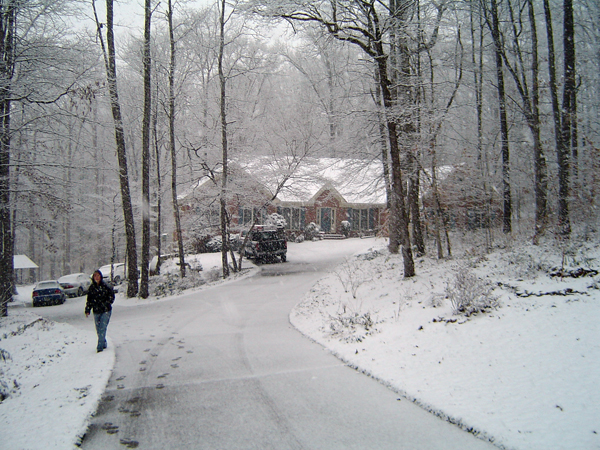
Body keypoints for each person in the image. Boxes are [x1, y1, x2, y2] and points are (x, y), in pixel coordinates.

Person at [85, 269, 115, 353]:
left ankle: (100, 347)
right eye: (95, 276)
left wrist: (106, 303)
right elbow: (89, 300)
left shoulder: (106, 286)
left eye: (98, 275)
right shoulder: (92, 288)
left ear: (101, 277)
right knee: (98, 329)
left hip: (106, 310)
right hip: (96, 311)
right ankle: (103, 342)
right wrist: (87, 309)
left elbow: (111, 297)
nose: (96, 277)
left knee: (102, 327)